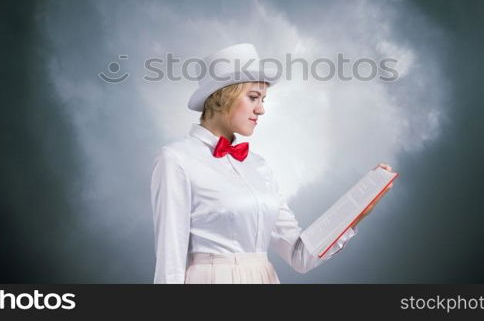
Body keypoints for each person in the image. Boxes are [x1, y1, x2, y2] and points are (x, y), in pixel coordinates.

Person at [151, 43, 393, 283]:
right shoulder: (176, 159)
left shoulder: (259, 166)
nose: (261, 110)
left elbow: (300, 256)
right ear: (222, 97)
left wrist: (355, 212)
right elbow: (169, 265)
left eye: (263, 99)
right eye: (254, 97)